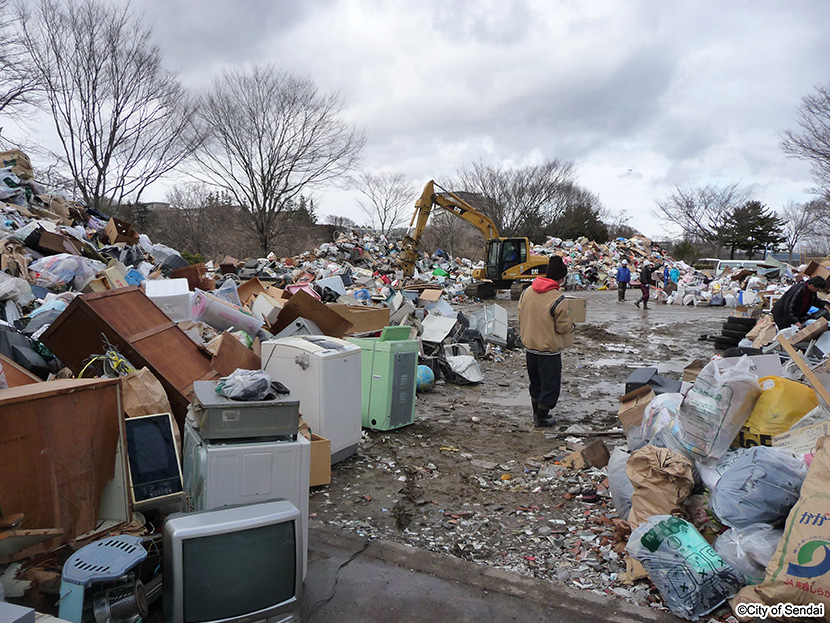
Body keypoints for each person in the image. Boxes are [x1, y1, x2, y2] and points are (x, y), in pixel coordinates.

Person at [517, 255, 575, 428]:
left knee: (535, 382)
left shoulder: (527, 291)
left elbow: (520, 313)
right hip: (548, 350)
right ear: (561, 278)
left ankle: (536, 413)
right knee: (550, 385)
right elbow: (562, 327)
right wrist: (572, 327)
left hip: (530, 347)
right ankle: (541, 418)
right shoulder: (558, 299)